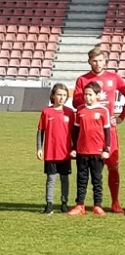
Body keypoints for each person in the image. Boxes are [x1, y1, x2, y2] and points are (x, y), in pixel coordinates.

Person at [73, 47, 125, 214]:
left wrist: (122, 117)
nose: (97, 64)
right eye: (94, 61)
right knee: (86, 170)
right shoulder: (82, 80)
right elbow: (76, 103)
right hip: (88, 132)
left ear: (105, 61)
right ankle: (82, 204)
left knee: (113, 166)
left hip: (108, 130)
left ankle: (115, 202)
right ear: (89, 61)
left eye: (100, 60)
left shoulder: (114, 78)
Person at [67, 82, 112, 216]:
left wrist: (107, 149)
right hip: (82, 151)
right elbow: (75, 131)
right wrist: (74, 148)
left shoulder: (103, 111)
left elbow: (107, 131)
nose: (87, 97)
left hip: (97, 152)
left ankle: (97, 205)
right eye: (85, 94)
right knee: (81, 179)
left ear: (97, 95)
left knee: (97, 180)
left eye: (90, 94)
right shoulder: (80, 110)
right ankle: (80, 205)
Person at [37, 84, 74, 215]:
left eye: (64, 95)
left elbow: (74, 133)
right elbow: (41, 131)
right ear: (53, 96)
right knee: (51, 179)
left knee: (65, 179)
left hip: (65, 153)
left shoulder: (70, 112)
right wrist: (39, 148)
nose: (61, 98)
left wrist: (74, 148)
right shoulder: (46, 112)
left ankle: (64, 203)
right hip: (50, 153)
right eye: (59, 95)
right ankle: (49, 204)